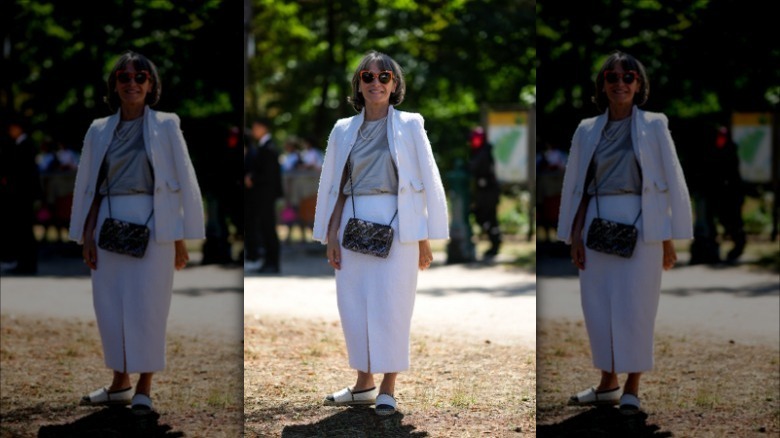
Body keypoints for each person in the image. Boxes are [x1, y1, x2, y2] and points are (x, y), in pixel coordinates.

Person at [312, 50, 449, 416]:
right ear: (358, 84)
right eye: (367, 77)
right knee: (354, 306)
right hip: (352, 225)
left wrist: (423, 238)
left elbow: (422, 182)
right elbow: (338, 185)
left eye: (384, 76)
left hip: (399, 226)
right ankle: (363, 384)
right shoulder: (343, 129)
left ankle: (388, 387)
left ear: (395, 83)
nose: (376, 83)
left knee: (393, 306)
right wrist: (331, 235)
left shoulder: (410, 124)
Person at [68, 51, 205, 413]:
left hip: (154, 223)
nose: (132, 83)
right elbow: (92, 185)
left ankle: (144, 386)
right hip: (108, 223)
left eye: (140, 77)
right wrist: (87, 234)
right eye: (124, 77)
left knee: (149, 306)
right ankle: (119, 383)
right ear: (114, 84)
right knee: (110, 306)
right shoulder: (99, 129)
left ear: (151, 83)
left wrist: (178, 239)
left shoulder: (166, 125)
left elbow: (178, 183)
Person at [556, 51, 692, 415]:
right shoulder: (587, 129)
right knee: (598, 306)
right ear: (602, 85)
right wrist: (575, 234)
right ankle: (607, 383)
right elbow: (579, 186)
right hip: (596, 222)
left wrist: (667, 239)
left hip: (642, 223)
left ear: (639, 83)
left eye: (628, 76)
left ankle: (632, 386)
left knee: (637, 307)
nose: (620, 83)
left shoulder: (654, 125)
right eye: (612, 77)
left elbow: (666, 182)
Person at [0, 114, 42, 274]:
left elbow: (23, 173)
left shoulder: (26, 145)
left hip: (23, 195)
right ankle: (24, 263)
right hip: (22, 195)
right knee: (22, 230)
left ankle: (28, 264)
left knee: (25, 231)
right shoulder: (21, 144)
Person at [244, 117, 283, 274]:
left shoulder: (269, 148)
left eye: (255, 128)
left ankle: (272, 262)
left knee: (268, 229)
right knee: (265, 228)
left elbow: (269, 174)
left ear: (263, 128)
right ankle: (268, 261)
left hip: (266, 195)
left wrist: (252, 178)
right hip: (264, 196)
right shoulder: (264, 147)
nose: (254, 131)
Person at [468, 126, 502, 258]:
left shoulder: (483, 152)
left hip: (488, 193)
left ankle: (495, 244)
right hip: (486, 192)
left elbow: (473, 167)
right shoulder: (481, 151)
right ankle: (495, 243)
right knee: (487, 218)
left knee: (486, 218)